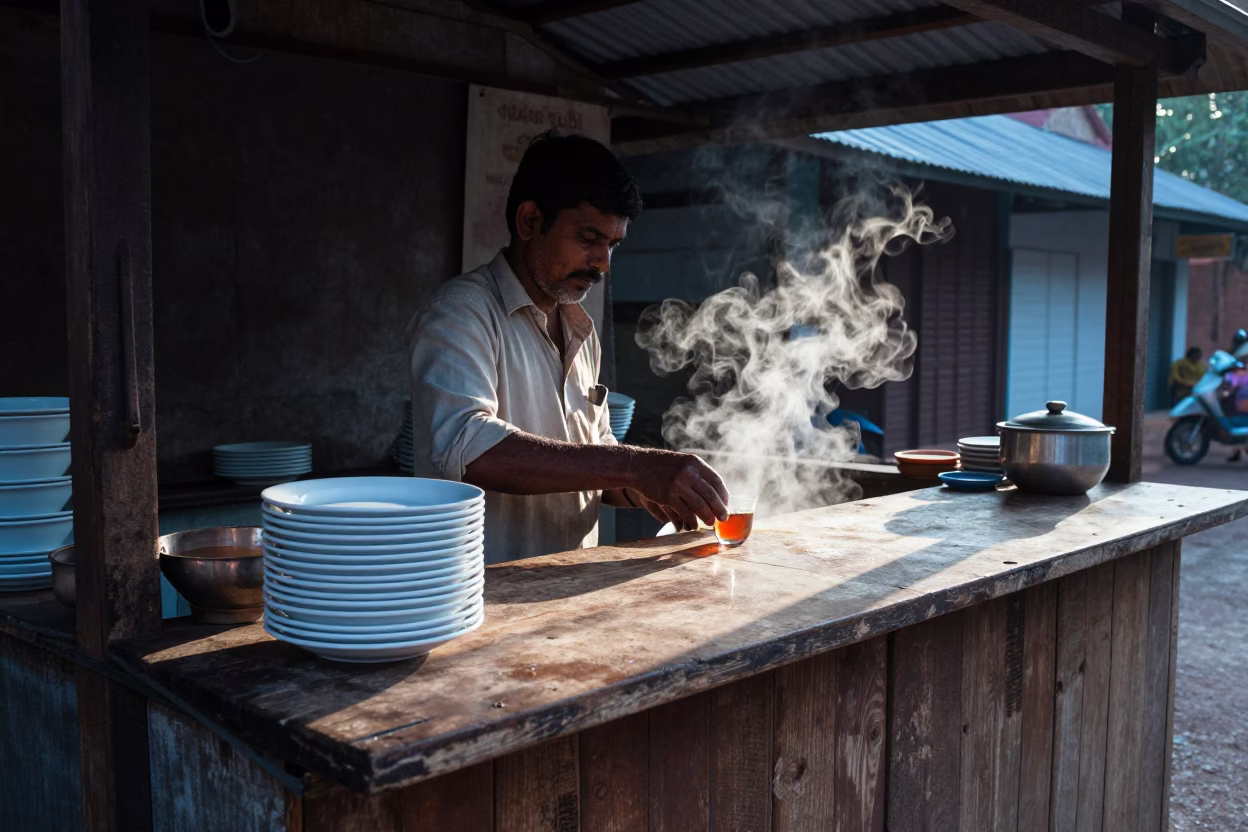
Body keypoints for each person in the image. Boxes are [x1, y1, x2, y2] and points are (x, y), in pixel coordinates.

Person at [406, 132, 729, 563]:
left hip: (567, 588)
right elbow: (469, 450)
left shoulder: (580, 328)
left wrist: (653, 487)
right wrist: (637, 467)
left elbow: (595, 462)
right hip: (478, 596)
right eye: (588, 237)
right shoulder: (460, 313)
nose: (603, 262)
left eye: (612, 244)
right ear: (529, 221)